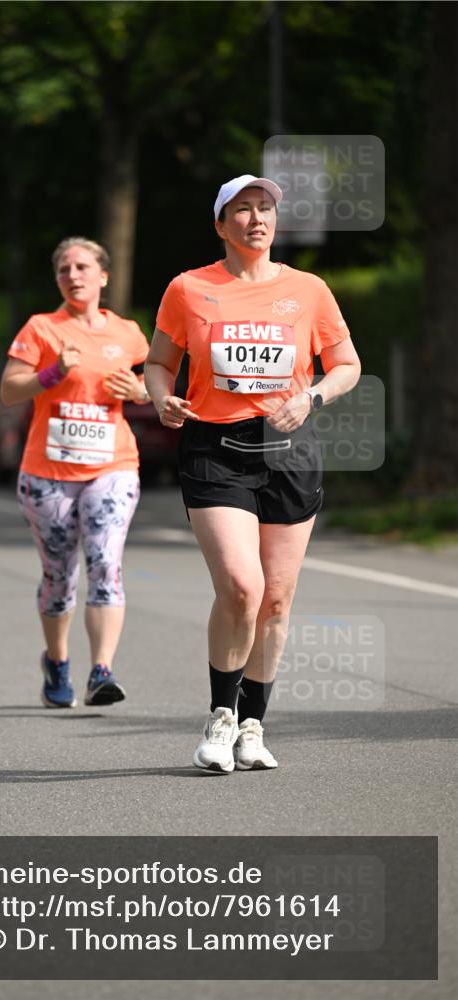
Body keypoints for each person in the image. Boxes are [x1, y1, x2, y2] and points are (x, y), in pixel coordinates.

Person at [144, 175, 361, 772]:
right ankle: (219, 718)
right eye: (243, 209)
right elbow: (159, 362)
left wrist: (312, 398)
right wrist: (162, 396)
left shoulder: (308, 290)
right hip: (215, 447)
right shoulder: (189, 289)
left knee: (277, 599)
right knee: (243, 586)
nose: (257, 218)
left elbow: (346, 364)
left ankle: (252, 725)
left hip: (289, 447)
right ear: (221, 224)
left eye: (265, 208)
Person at [0, 237, 150, 709]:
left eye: (82, 266)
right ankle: (58, 660)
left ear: (103, 275)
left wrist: (142, 391)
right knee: (59, 577)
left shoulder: (128, 333)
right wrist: (51, 374)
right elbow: (8, 391)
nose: (73, 275)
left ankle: (101, 671)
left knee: (105, 562)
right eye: (64, 269)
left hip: (112, 466)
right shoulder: (42, 329)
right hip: (48, 473)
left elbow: (156, 382)